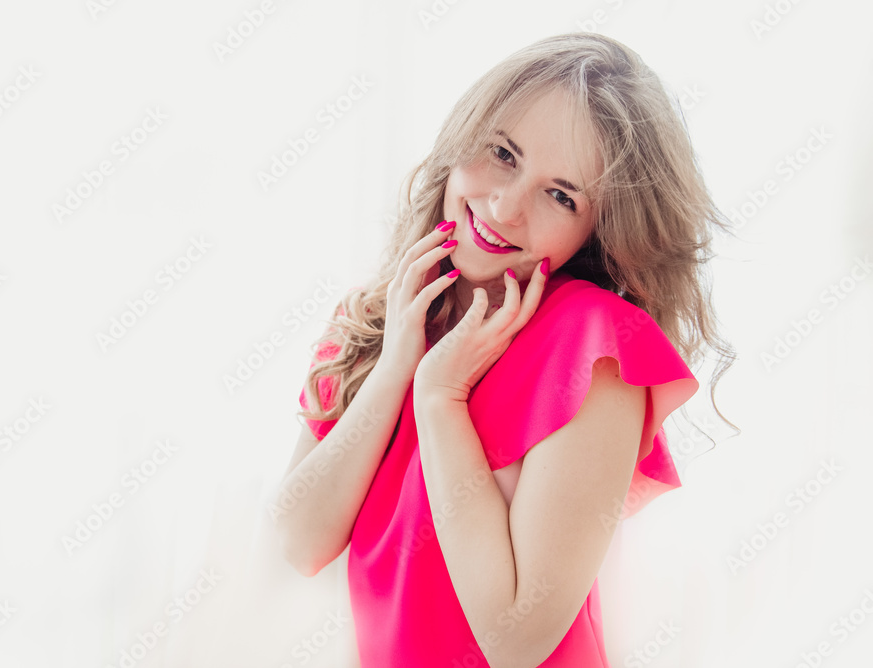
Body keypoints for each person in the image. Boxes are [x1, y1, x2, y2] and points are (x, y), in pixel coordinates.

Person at [273, 32, 737, 667]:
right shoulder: (382, 314)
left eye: (561, 194)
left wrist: (440, 401)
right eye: (501, 153)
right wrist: (397, 366)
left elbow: (517, 639)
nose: (504, 206)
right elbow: (299, 543)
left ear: (598, 229)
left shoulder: (592, 345)